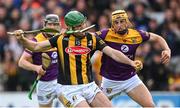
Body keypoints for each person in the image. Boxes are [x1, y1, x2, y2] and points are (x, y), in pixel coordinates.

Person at [13, 10, 142, 107]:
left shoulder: (92, 38)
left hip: (89, 86)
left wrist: (131, 62)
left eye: (83, 24)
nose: (82, 27)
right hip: (68, 89)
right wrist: (22, 39)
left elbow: (113, 53)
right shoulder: (60, 39)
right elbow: (35, 47)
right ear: (70, 27)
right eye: (78, 26)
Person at [95, 10, 171, 107]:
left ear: (127, 22)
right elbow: (89, 37)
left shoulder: (137, 34)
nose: (119, 25)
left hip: (130, 79)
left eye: (122, 21)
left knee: (150, 106)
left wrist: (167, 49)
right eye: (116, 23)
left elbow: (157, 38)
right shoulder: (105, 34)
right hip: (110, 81)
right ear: (112, 25)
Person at [18, 14, 63, 107]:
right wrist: (36, 68)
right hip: (44, 84)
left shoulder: (61, 37)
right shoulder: (36, 41)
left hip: (61, 82)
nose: (52, 27)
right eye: (50, 24)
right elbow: (21, 62)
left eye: (55, 25)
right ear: (44, 25)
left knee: (73, 104)